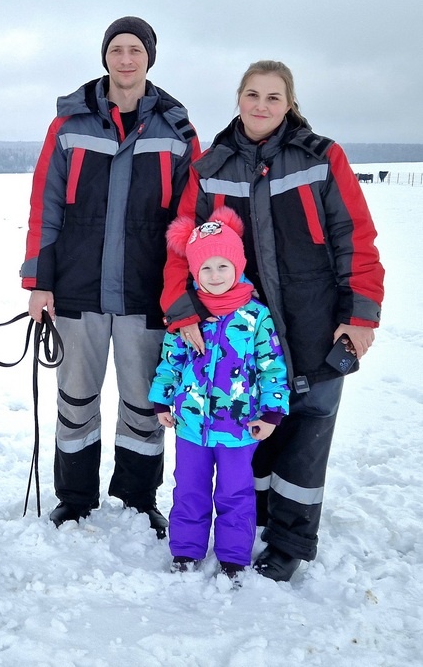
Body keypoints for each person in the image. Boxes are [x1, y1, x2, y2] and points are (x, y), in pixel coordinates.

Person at [161, 60, 384, 581]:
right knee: (249, 427)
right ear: (238, 97)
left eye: (273, 97)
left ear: (289, 104)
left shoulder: (322, 158)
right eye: (253, 94)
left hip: (315, 320)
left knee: (307, 431)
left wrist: (361, 314)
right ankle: (254, 521)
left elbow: (357, 236)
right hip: (237, 328)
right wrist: (182, 309)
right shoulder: (209, 167)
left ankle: (289, 542)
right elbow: (181, 248)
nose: (261, 106)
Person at [21, 16, 199, 534]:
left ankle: (140, 498)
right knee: (76, 399)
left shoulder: (177, 130)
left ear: (149, 59)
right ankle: (75, 499)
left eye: (135, 51)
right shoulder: (69, 125)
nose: (126, 60)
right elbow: (44, 206)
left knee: (145, 404)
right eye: (117, 50)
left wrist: (185, 294)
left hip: (148, 293)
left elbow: (192, 218)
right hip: (78, 290)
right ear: (105, 57)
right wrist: (39, 282)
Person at [149, 206, 289, 578]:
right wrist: (163, 397)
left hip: (240, 427)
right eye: (205, 268)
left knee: (235, 493)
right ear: (194, 272)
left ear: (238, 266)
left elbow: (272, 365)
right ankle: (186, 549)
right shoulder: (187, 315)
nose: (214, 276)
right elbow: (170, 358)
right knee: (189, 489)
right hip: (192, 425)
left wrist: (272, 412)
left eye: (222, 266)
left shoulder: (256, 316)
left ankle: (232, 555)